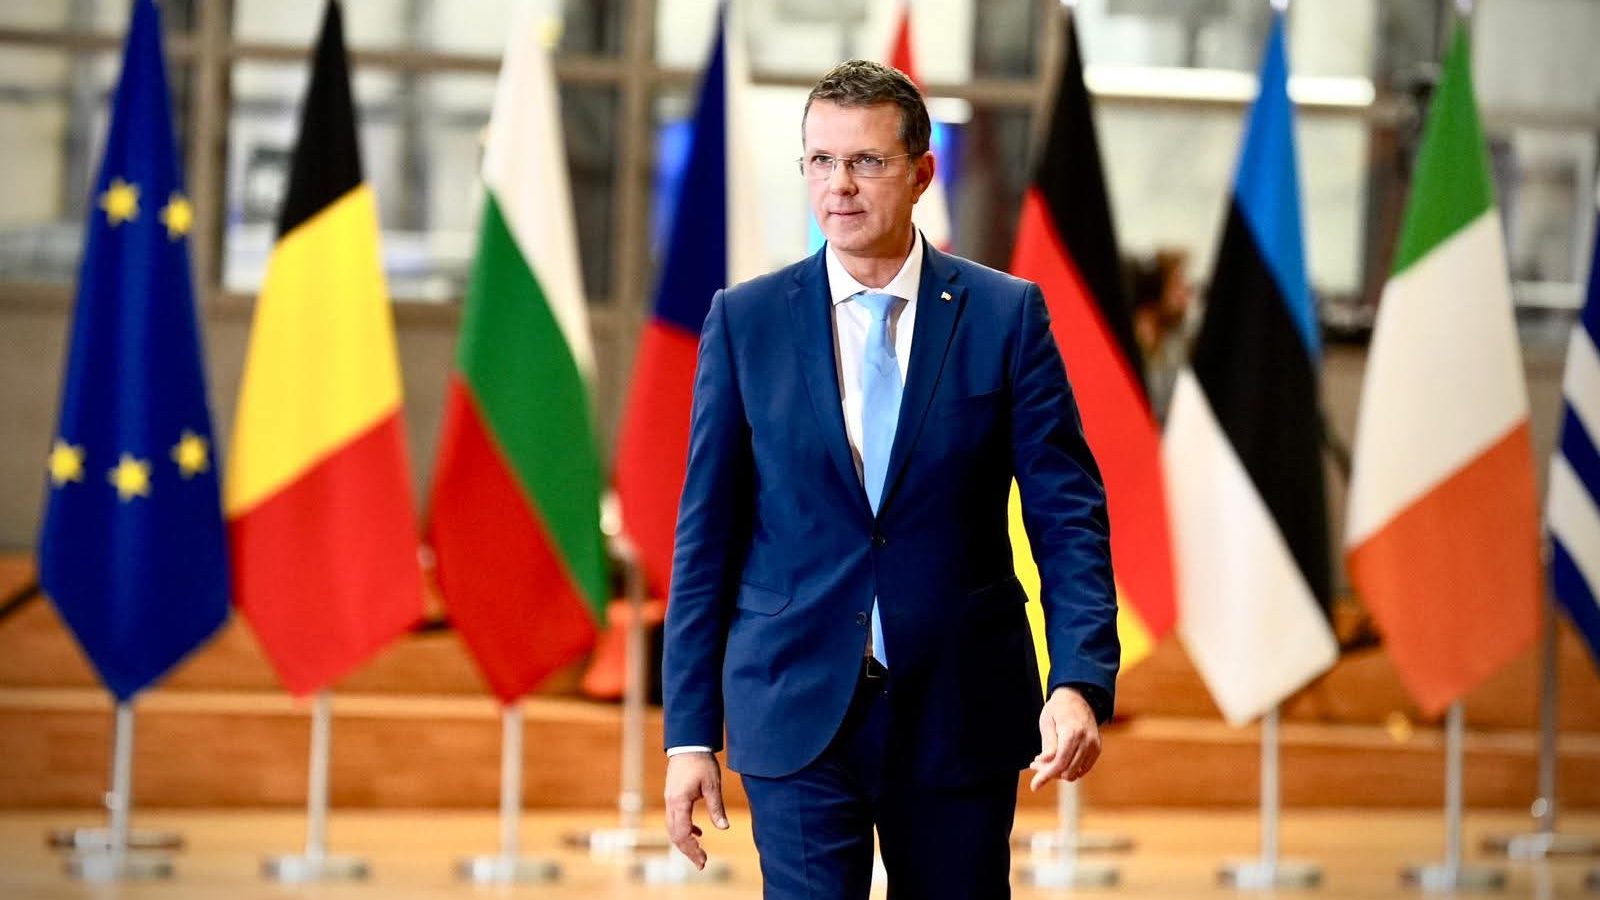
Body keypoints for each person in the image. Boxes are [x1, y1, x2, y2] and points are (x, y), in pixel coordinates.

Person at [661, 59, 1118, 898]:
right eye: (821, 161)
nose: (839, 185)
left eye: (866, 161)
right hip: (794, 703)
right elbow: (705, 541)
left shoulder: (1006, 317)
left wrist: (1078, 679)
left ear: (921, 173)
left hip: (960, 709)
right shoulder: (746, 322)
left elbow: (1068, 518)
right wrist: (688, 734)